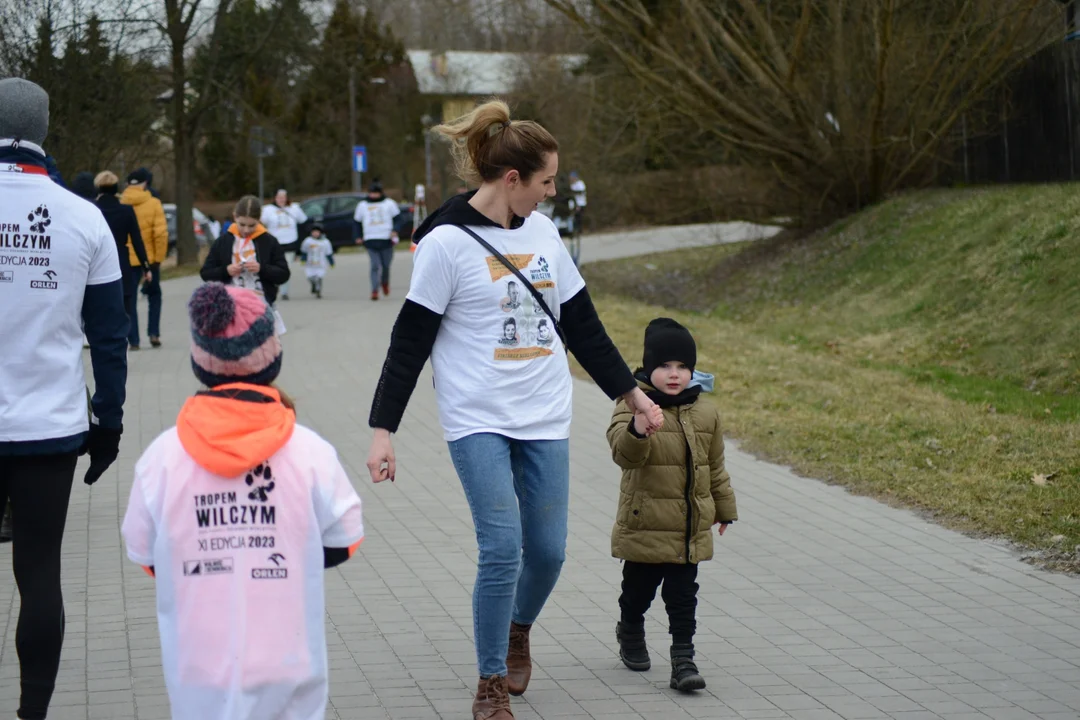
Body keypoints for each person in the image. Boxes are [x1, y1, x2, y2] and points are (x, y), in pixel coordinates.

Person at [364, 99, 664, 720]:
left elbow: (583, 325)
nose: (551, 193)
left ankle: (517, 628)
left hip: (545, 414)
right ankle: (490, 683)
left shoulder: (545, 233)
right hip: (477, 419)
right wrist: (382, 430)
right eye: (546, 182)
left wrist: (633, 394)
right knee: (502, 547)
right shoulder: (446, 245)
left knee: (549, 552)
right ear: (511, 181)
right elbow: (409, 344)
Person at [121, 282, 365, 720]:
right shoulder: (310, 452)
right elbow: (344, 540)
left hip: (198, 670)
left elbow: (145, 553)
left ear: (201, 361)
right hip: (288, 665)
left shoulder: (161, 457)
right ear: (272, 358)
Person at [0, 77, 129, 720]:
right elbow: (110, 334)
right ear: (44, 130)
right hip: (47, 428)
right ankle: (32, 714)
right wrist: (109, 421)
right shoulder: (85, 217)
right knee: (39, 574)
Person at [607, 317, 737, 692]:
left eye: (682, 366)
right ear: (649, 368)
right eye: (664, 366)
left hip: (687, 530)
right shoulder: (631, 404)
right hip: (646, 525)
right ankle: (630, 629)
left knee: (682, 597)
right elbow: (623, 454)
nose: (674, 374)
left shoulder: (706, 413)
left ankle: (683, 660)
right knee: (638, 592)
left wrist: (724, 508)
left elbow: (714, 466)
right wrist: (637, 429)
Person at [95, 171, 153, 346]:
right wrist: (146, 266)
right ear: (115, 189)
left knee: (102, 304)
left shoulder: (93, 209)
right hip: (122, 260)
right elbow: (137, 241)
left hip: (98, 261)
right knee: (128, 303)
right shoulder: (126, 211)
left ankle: (107, 339)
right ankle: (133, 339)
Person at [202, 195, 291, 309]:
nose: (246, 230)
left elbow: (284, 275)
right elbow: (206, 274)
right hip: (229, 306)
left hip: (262, 306)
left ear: (259, 220)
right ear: (235, 217)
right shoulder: (223, 242)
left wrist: (262, 269)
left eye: (252, 225)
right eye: (242, 224)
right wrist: (226, 270)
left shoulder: (269, 241)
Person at [121, 167, 168, 349]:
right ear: (145, 183)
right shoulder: (154, 203)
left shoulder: (122, 202)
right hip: (149, 259)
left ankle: (133, 340)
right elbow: (160, 234)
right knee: (154, 295)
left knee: (129, 299)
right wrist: (157, 258)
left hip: (127, 259)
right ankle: (154, 333)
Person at [353, 180, 400, 301]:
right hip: (370, 239)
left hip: (386, 239)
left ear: (380, 193)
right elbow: (357, 223)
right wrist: (357, 236)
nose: (373, 195)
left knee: (385, 266)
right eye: (371, 193)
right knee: (374, 265)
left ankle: (385, 282)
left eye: (376, 193)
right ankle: (374, 290)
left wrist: (395, 230)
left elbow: (399, 219)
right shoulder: (362, 205)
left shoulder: (389, 204)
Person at [260, 189, 307, 300]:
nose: (281, 200)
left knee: (286, 267)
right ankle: (274, 285)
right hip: (274, 244)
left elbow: (303, 221)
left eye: (283, 197)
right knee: (273, 266)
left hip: (290, 242)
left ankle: (284, 291)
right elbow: (261, 223)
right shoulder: (268, 210)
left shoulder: (294, 208)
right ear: (275, 198)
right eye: (279, 197)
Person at [298, 223, 334, 299]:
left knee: (319, 278)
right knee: (310, 278)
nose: (315, 233)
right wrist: (303, 260)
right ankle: (313, 285)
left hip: (321, 264)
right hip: (310, 264)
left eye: (317, 232)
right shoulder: (307, 241)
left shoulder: (325, 242)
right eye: (313, 232)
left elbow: (329, 253)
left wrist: (331, 262)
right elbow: (304, 251)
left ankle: (318, 291)